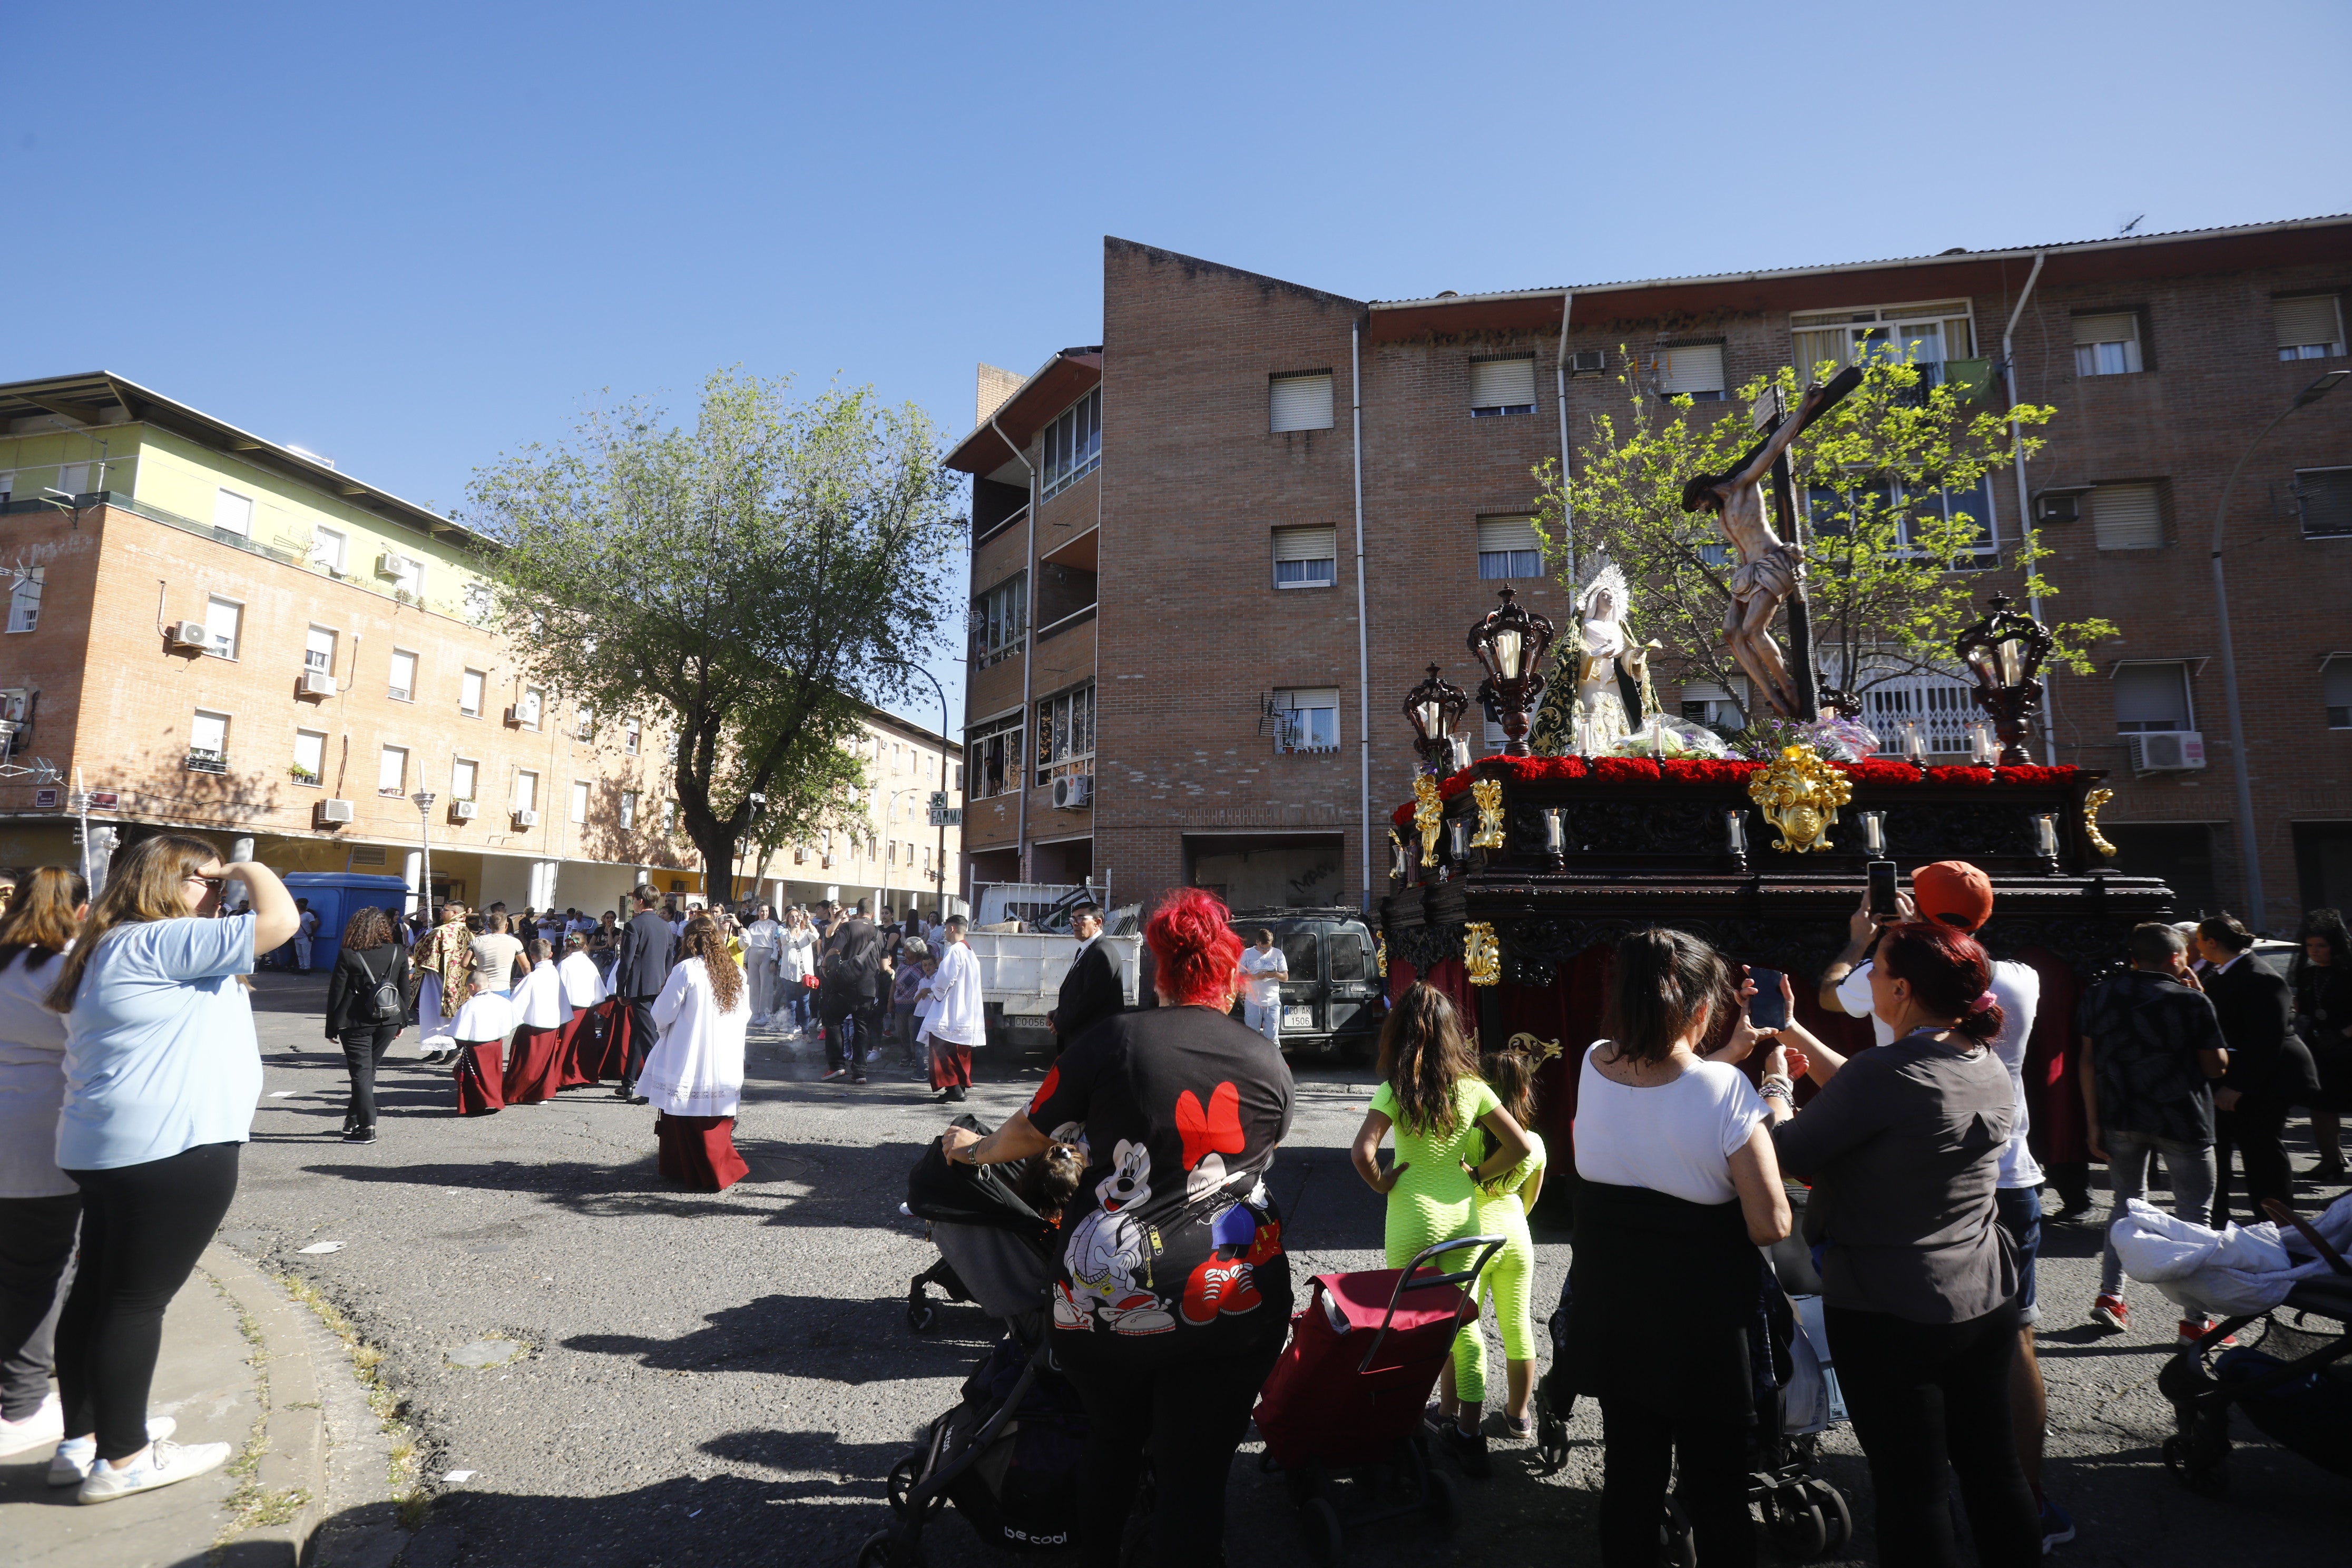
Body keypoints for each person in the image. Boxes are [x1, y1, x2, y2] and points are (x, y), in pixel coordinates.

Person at [940, 887, 1294, 1568]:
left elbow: (1028, 1130)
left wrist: (971, 1152)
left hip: (1107, 1302)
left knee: (1111, 1442)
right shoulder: (1269, 1064)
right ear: (1230, 974)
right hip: (1233, 1295)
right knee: (1196, 1477)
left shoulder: (1111, 1042)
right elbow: (1260, 1154)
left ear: (1158, 971)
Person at [1763, 920, 2040, 1567]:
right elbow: (1874, 1090)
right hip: (1984, 1293)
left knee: (1912, 1488)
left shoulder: (1887, 1072)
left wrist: (1777, 1087)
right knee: (1994, 1470)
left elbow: (1786, 1150)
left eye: (1877, 970)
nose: (1870, 982)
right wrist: (1794, 1030)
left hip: (1892, 1306)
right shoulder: (1985, 1059)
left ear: (1906, 989)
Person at [1815, 860, 2067, 1547]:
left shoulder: (1899, 980)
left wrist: (1860, 940)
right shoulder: (2016, 975)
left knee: (1914, 1431)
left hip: (1917, 1179)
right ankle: (2031, 1493)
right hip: (2005, 1173)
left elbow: (1832, 995)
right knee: (2010, 1342)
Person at [44, 835, 299, 1503]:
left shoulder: (103, 945)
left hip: (105, 1146)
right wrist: (247, 865)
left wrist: (215, 885)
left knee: (98, 1295)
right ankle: (124, 1460)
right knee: (134, 1304)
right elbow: (282, 922)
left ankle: (86, 1440)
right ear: (169, 883)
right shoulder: (160, 940)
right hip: (176, 1147)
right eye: (207, 882)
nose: (220, 896)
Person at [1567, 929, 1788, 1567]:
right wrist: (1773, 1090)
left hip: (1617, 1314)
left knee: (1629, 1481)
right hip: (1702, 1328)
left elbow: (1661, 1092)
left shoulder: (1593, 1061)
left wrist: (1721, 1055)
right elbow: (1772, 1223)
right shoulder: (1726, 1093)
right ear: (1699, 1010)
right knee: (1719, 1492)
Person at [1350, 982, 1533, 1476]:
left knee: (1406, 1326)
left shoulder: (1394, 1089)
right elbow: (1520, 1148)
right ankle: (1469, 1435)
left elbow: (1362, 1153)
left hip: (1408, 1219)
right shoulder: (1473, 1088)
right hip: (1461, 1219)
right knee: (1463, 1325)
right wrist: (1480, 1174)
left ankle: (1404, 1423)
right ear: (1454, 1034)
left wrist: (1382, 1183)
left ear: (1400, 1033)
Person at [2081, 922, 2231, 1340]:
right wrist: (2201, 999)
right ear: (2175, 959)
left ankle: (2111, 1296)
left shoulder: (2099, 994)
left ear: (2134, 958)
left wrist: (2093, 1122)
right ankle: (2195, 1322)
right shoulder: (2190, 1000)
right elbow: (2216, 1066)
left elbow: (2087, 1061)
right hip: (2183, 1119)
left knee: (2126, 1207)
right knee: (2194, 1217)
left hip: (2120, 1115)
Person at [0, 869, 89, 1462]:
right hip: (40, 1141)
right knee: (39, 1274)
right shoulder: (67, 972)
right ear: (80, 913)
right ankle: (21, 1406)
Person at [2199, 914, 2319, 1224]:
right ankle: (2218, 1220)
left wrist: (2238, 1085)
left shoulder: (2259, 977)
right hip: (2235, 1074)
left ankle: (2277, 1224)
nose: (2196, 947)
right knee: (2221, 1148)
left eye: (2199, 941)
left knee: (2261, 1149)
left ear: (2212, 943)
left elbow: (2267, 1040)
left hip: (2266, 1079)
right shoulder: (2223, 972)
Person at [1455, 1047, 1547, 1443]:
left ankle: (1459, 1413)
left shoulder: (1467, 1140)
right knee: (1517, 1326)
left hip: (1471, 1237)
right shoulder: (1536, 1142)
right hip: (1515, 1237)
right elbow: (1530, 1200)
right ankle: (1519, 1415)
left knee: (1464, 1328)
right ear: (1525, 1093)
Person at [642, 916, 751, 1191]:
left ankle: (688, 1169)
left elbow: (662, 1013)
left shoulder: (686, 970)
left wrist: (665, 1028)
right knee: (714, 1114)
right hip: (724, 1054)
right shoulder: (736, 972)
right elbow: (746, 1014)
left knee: (685, 1111)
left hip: (689, 1052)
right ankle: (714, 1168)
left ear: (688, 942)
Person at [322, 906, 408, 1145]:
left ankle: (367, 1125)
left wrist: (331, 1027)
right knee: (368, 1071)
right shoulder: (397, 951)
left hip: (356, 1020)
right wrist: (403, 1020)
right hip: (389, 1018)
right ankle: (353, 1119)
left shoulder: (349, 954)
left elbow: (337, 993)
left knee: (361, 1073)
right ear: (384, 928)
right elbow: (404, 989)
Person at [2289, 908, 2352, 1182]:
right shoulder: (2308, 976)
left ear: (2334, 946)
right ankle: (2330, 1160)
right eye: (2310, 946)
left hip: (2348, 1047)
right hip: (2321, 1049)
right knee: (2322, 1106)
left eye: (2321, 946)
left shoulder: (2349, 973)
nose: (2315, 951)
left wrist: (2343, 1035)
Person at [613, 889, 678, 1105]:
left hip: (640, 987)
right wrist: (665, 980)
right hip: (658, 984)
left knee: (649, 1038)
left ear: (640, 901)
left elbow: (626, 960)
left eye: (633, 901)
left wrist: (621, 989)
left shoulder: (635, 925)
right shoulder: (664, 925)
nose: (633, 905)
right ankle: (628, 1082)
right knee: (639, 1035)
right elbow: (670, 956)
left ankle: (654, 1089)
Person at [819, 900, 884, 1084]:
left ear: (859, 911)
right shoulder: (880, 933)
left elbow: (835, 950)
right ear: (872, 914)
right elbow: (884, 965)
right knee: (862, 1027)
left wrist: (825, 964)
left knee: (832, 1020)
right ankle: (860, 1072)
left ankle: (837, 1066)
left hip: (845, 985)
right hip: (868, 988)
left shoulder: (848, 927)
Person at [920, 916, 983, 1102]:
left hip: (952, 1008)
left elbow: (945, 978)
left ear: (952, 929)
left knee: (942, 1047)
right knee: (960, 1050)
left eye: (946, 928)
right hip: (965, 1008)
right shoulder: (969, 951)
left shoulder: (955, 950)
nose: (945, 932)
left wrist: (935, 992)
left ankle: (953, 1087)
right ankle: (961, 1085)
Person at [1051, 899, 1125, 1054]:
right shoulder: (1086, 950)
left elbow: (1091, 1000)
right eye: (1073, 919)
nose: (1075, 923)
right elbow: (1078, 991)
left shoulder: (1101, 953)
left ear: (1097, 923)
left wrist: (1062, 1022)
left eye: (1081, 918)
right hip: (1082, 1039)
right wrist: (1059, 1012)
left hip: (1092, 1042)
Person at [505, 939, 573, 1105]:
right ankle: (541, 1093)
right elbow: (563, 1000)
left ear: (531, 956)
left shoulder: (532, 978)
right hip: (551, 1025)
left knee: (526, 1062)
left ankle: (517, 1094)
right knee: (544, 1062)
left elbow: (517, 1004)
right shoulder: (555, 975)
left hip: (533, 1027)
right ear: (551, 954)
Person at [448, 972, 512, 1116]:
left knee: (475, 1077)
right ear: (489, 985)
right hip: (496, 1044)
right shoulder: (501, 1001)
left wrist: (459, 1044)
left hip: (476, 1047)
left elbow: (458, 1032)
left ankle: (477, 1105)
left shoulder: (469, 1005)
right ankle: (495, 1101)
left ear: (471, 987)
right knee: (494, 1074)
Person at [1238, 928, 1286, 1046]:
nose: (1266, 951)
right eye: (1263, 948)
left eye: (1268, 948)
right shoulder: (1247, 954)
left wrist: (1275, 974)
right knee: (1252, 1035)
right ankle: (1252, 1062)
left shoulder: (1277, 954)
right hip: (1253, 1001)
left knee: (1272, 1037)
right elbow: (1240, 976)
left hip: (1273, 1001)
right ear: (1257, 942)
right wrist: (1256, 977)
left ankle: (1272, 1062)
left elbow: (1285, 977)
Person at [889, 936, 928, 1066]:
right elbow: (894, 984)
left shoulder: (923, 966)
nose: (904, 953)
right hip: (900, 1004)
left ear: (916, 951)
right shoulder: (901, 965)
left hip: (916, 1005)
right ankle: (906, 1056)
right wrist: (890, 1002)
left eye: (907, 950)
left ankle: (915, 1057)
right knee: (902, 1031)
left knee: (914, 1031)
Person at [468, 912, 527, 998]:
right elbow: (525, 966)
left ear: (489, 926)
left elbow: (465, 964)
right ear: (507, 925)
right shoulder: (515, 942)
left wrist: (478, 970)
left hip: (481, 987)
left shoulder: (477, 941)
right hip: (502, 988)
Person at [742, 904, 782, 1027]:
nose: (764, 913)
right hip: (754, 953)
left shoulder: (773, 925)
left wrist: (773, 959)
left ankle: (766, 1013)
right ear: (758, 912)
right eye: (762, 911)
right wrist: (745, 960)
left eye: (766, 911)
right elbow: (748, 943)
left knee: (766, 985)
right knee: (754, 985)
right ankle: (754, 1013)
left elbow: (775, 943)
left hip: (767, 953)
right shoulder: (753, 926)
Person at [781, 907, 818, 1037]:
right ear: (788, 921)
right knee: (791, 1004)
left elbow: (816, 936)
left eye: (797, 916)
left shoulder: (807, 933)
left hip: (805, 976)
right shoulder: (785, 933)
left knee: (803, 1004)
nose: (795, 919)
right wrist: (794, 927)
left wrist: (808, 922)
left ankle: (805, 1033)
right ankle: (790, 1031)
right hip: (788, 975)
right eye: (792, 917)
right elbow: (785, 940)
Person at [292, 898, 319, 972]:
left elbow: (314, 925)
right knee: (299, 954)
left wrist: (310, 933)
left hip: (305, 937)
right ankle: (302, 967)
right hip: (297, 936)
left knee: (306, 954)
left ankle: (307, 968)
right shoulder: (296, 915)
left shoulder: (308, 915)